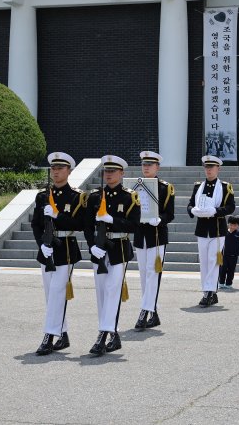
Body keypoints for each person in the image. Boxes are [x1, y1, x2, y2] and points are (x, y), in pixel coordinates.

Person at [31, 152, 85, 356]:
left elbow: (79, 224)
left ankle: (49, 335)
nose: (55, 172)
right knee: (50, 295)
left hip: (66, 250)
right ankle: (62, 334)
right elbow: (36, 224)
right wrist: (41, 245)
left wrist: (58, 216)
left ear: (69, 171)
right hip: (47, 250)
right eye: (53, 168)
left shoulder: (77, 196)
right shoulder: (43, 196)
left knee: (56, 293)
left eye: (60, 168)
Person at [83, 155, 138, 356]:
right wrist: (91, 246)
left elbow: (134, 225)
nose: (109, 175)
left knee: (113, 290)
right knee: (101, 293)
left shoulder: (129, 197)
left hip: (119, 249)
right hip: (99, 248)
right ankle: (111, 334)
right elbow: (87, 225)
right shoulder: (95, 196)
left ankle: (103, 334)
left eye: (113, 171)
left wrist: (112, 219)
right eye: (106, 171)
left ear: (122, 173)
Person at [132, 150, 175, 332]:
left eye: (150, 165)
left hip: (156, 236)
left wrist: (160, 219)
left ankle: (144, 311)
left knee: (152, 273)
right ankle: (153, 311)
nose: (146, 167)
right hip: (141, 235)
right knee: (143, 275)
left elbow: (170, 213)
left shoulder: (166, 187)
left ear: (157, 167)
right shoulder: (134, 186)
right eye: (144, 164)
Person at [187, 155, 236, 307]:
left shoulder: (224, 187)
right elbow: (190, 204)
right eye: (206, 167)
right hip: (202, 229)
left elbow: (230, 207)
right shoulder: (198, 186)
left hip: (217, 229)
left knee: (213, 261)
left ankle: (209, 292)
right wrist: (192, 210)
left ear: (218, 169)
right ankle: (209, 292)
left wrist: (215, 211)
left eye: (211, 167)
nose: (208, 170)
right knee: (204, 262)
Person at [219, 215, 239, 289]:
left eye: (235, 225)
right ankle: (221, 283)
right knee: (222, 269)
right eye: (231, 224)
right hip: (222, 255)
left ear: (238, 225)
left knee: (231, 270)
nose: (232, 226)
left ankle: (229, 283)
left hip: (234, 255)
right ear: (228, 224)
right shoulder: (224, 232)